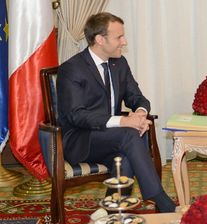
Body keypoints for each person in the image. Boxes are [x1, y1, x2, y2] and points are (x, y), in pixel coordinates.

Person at [57, 12, 176, 212]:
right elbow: (76, 115)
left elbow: (137, 97)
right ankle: (161, 199)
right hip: (80, 140)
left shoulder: (118, 63)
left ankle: (110, 212)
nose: (124, 41)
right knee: (129, 135)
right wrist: (123, 122)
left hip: (111, 139)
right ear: (99, 40)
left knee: (125, 157)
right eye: (119, 37)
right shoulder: (72, 69)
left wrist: (139, 113)